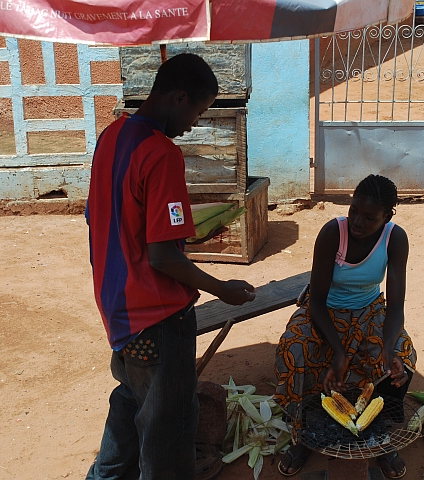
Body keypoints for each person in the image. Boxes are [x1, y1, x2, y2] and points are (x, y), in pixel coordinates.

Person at [85, 53, 256, 480]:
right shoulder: (162, 154)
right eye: (197, 111)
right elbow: (163, 255)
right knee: (168, 431)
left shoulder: (110, 136)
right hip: (156, 319)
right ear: (178, 98)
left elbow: (101, 217)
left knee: (130, 401)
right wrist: (222, 288)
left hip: (117, 308)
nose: (195, 123)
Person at [274, 174, 416, 479]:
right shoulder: (332, 234)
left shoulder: (395, 238)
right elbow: (316, 301)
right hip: (327, 311)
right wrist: (338, 351)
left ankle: (377, 434)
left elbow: (396, 305)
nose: (358, 222)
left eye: (369, 217)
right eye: (354, 211)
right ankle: (303, 434)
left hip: (369, 311)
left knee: (401, 354)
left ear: (387, 216)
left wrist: (389, 349)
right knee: (296, 349)